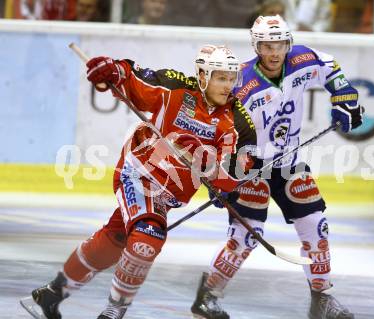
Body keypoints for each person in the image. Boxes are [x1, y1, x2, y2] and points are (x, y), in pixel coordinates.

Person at [20, 45, 256, 319]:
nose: (227, 85)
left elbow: (232, 177)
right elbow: (134, 80)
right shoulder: (176, 87)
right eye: (220, 77)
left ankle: (50, 295)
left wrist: (208, 165)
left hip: (168, 195)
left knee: (115, 237)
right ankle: (113, 312)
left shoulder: (238, 123)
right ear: (203, 75)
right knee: (149, 236)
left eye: (230, 78)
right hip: (138, 172)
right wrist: (113, 70)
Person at [189, 15, 362, 319]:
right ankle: (209, 296)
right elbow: (216, 126)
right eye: (267, 45)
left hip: (290, 162)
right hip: (250, 164)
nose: (274, 52)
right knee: (246, 234)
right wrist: (218, 176)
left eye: (279, 43)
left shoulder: (301, 58)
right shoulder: (241, 81)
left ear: (288, 42)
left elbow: (330, 68)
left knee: (316, 226)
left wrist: (345, 99)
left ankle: (322, 298)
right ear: (256, 46)